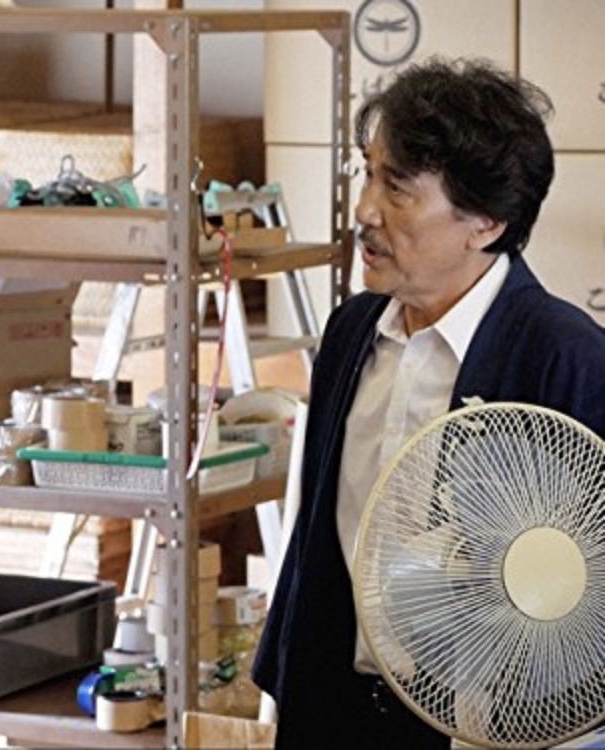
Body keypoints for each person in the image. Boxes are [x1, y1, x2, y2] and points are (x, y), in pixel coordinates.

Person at [251, 57, 605, 749]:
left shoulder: (566, 359)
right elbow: (316, 543)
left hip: (489, 727)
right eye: (367, 174)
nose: (364, 211)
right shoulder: (353, 331)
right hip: (337, 707)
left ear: (486, 222)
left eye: (398, 189)